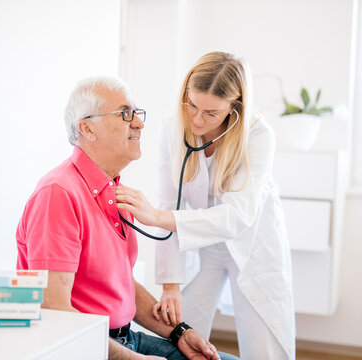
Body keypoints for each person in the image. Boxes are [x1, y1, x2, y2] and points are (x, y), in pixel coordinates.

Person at [16, 76, 240, 360]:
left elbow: (120, 284)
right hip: (84, 349)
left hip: (125, 337)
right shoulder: (58, 194)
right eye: (125, 114)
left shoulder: (114, 191)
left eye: (137, 113)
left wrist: (180, 332)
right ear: (88, 128)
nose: (139, 123)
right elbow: (55, 309)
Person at [115, 52, 296, 359]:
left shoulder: (258, 134)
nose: (197, 120)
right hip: (199, 247)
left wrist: (159, 217)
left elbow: (237, 216)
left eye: (211, 113)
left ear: (234, 108)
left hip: (253, 248)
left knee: (265, 348)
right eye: (192, 105)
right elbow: (169, 203)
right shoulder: (172, 129)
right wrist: (170, 285)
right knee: (185, 341)